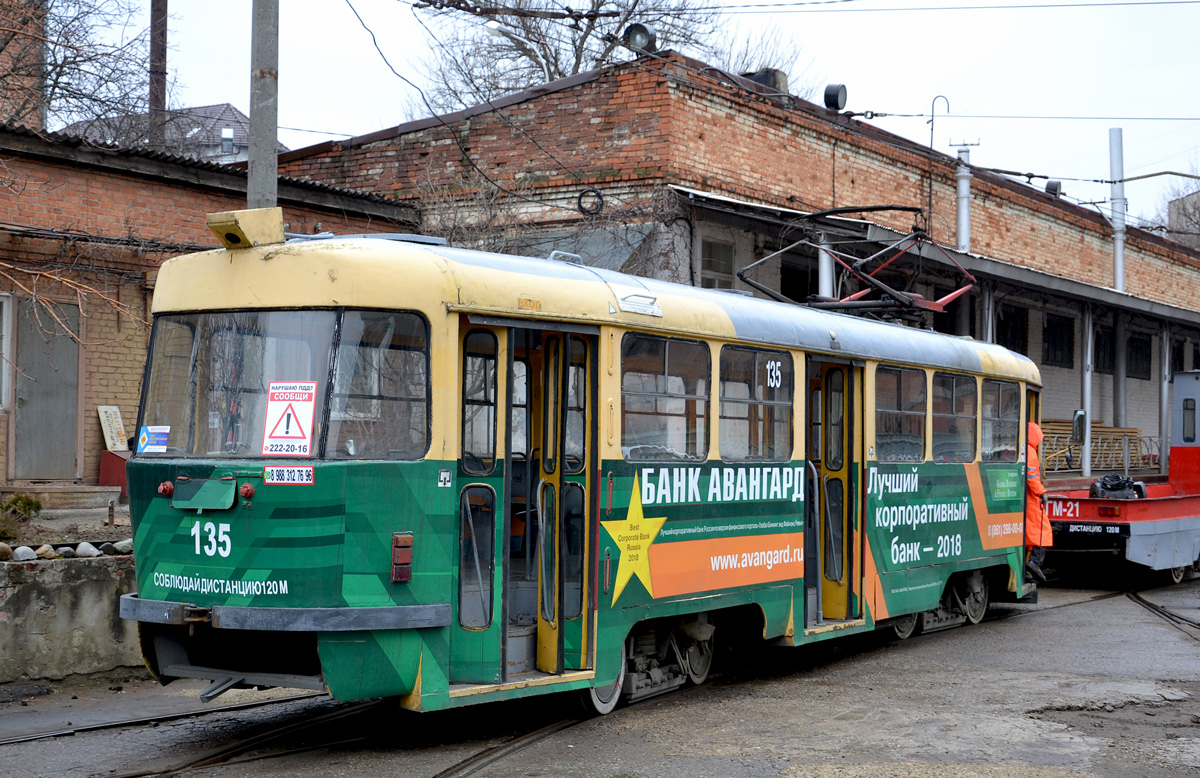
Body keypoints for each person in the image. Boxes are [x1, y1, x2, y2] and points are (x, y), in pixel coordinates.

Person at [1025, 420, 1052, 582]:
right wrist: (1041, 492)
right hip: (1032, 499)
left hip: (1029, 499)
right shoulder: (1030, 452)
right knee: (1043, 532)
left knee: (1032, 534)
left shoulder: (1026, 450)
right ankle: (1034, 563)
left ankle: (1030, 567)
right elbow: (1031, 476)